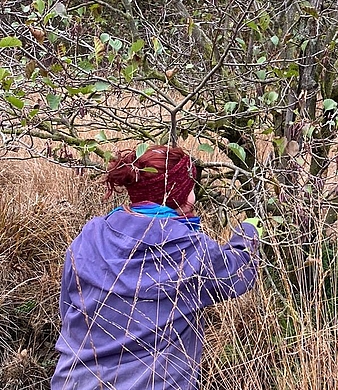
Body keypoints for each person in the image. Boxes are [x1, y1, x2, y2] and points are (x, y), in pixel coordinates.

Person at [51, 145, 261, 389]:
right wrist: (248, 234)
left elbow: (67, 308)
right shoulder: (189, 248)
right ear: (178, 194)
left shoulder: (91, 234)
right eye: (191, 187)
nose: (194, 196)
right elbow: (236, 273)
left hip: (75, 382)